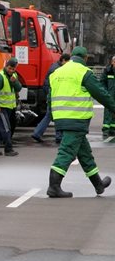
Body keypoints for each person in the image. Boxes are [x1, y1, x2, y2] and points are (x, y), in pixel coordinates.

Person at [46, 46, 115, 198]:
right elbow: (101, 93)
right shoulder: (84, 72)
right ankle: (54, 185)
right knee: (67, 151)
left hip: (60, 116)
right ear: (85, 58)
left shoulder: (57, 72)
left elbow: (50, 95)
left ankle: (98, 185)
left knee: (85, 154)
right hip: (76, 117)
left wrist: (51, 114)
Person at [31, 53, 71, 143]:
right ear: (63, 60)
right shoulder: (58, 69)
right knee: (56, 115)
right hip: (54, 95)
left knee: (50, 115)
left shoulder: (55, 67)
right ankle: (58, 136)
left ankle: (38, 133)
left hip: (52, 95)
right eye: (67, 62)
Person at [0, 57, 22, 156]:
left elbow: (19, 88)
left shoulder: (14, 76)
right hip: (1, 107)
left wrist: (14, 82)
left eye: (13, 69)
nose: (11, 70)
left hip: (10, 106)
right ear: (6, 66)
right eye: (10, 68)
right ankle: (8, 149)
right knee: (6, 128)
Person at [100, 55, 115, 138]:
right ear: (112, 62)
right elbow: (102, 82)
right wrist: (105, 92)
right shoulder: (107, 71)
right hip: (109, 95)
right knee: (108, 112)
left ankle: (113, 129)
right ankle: (106, 129)